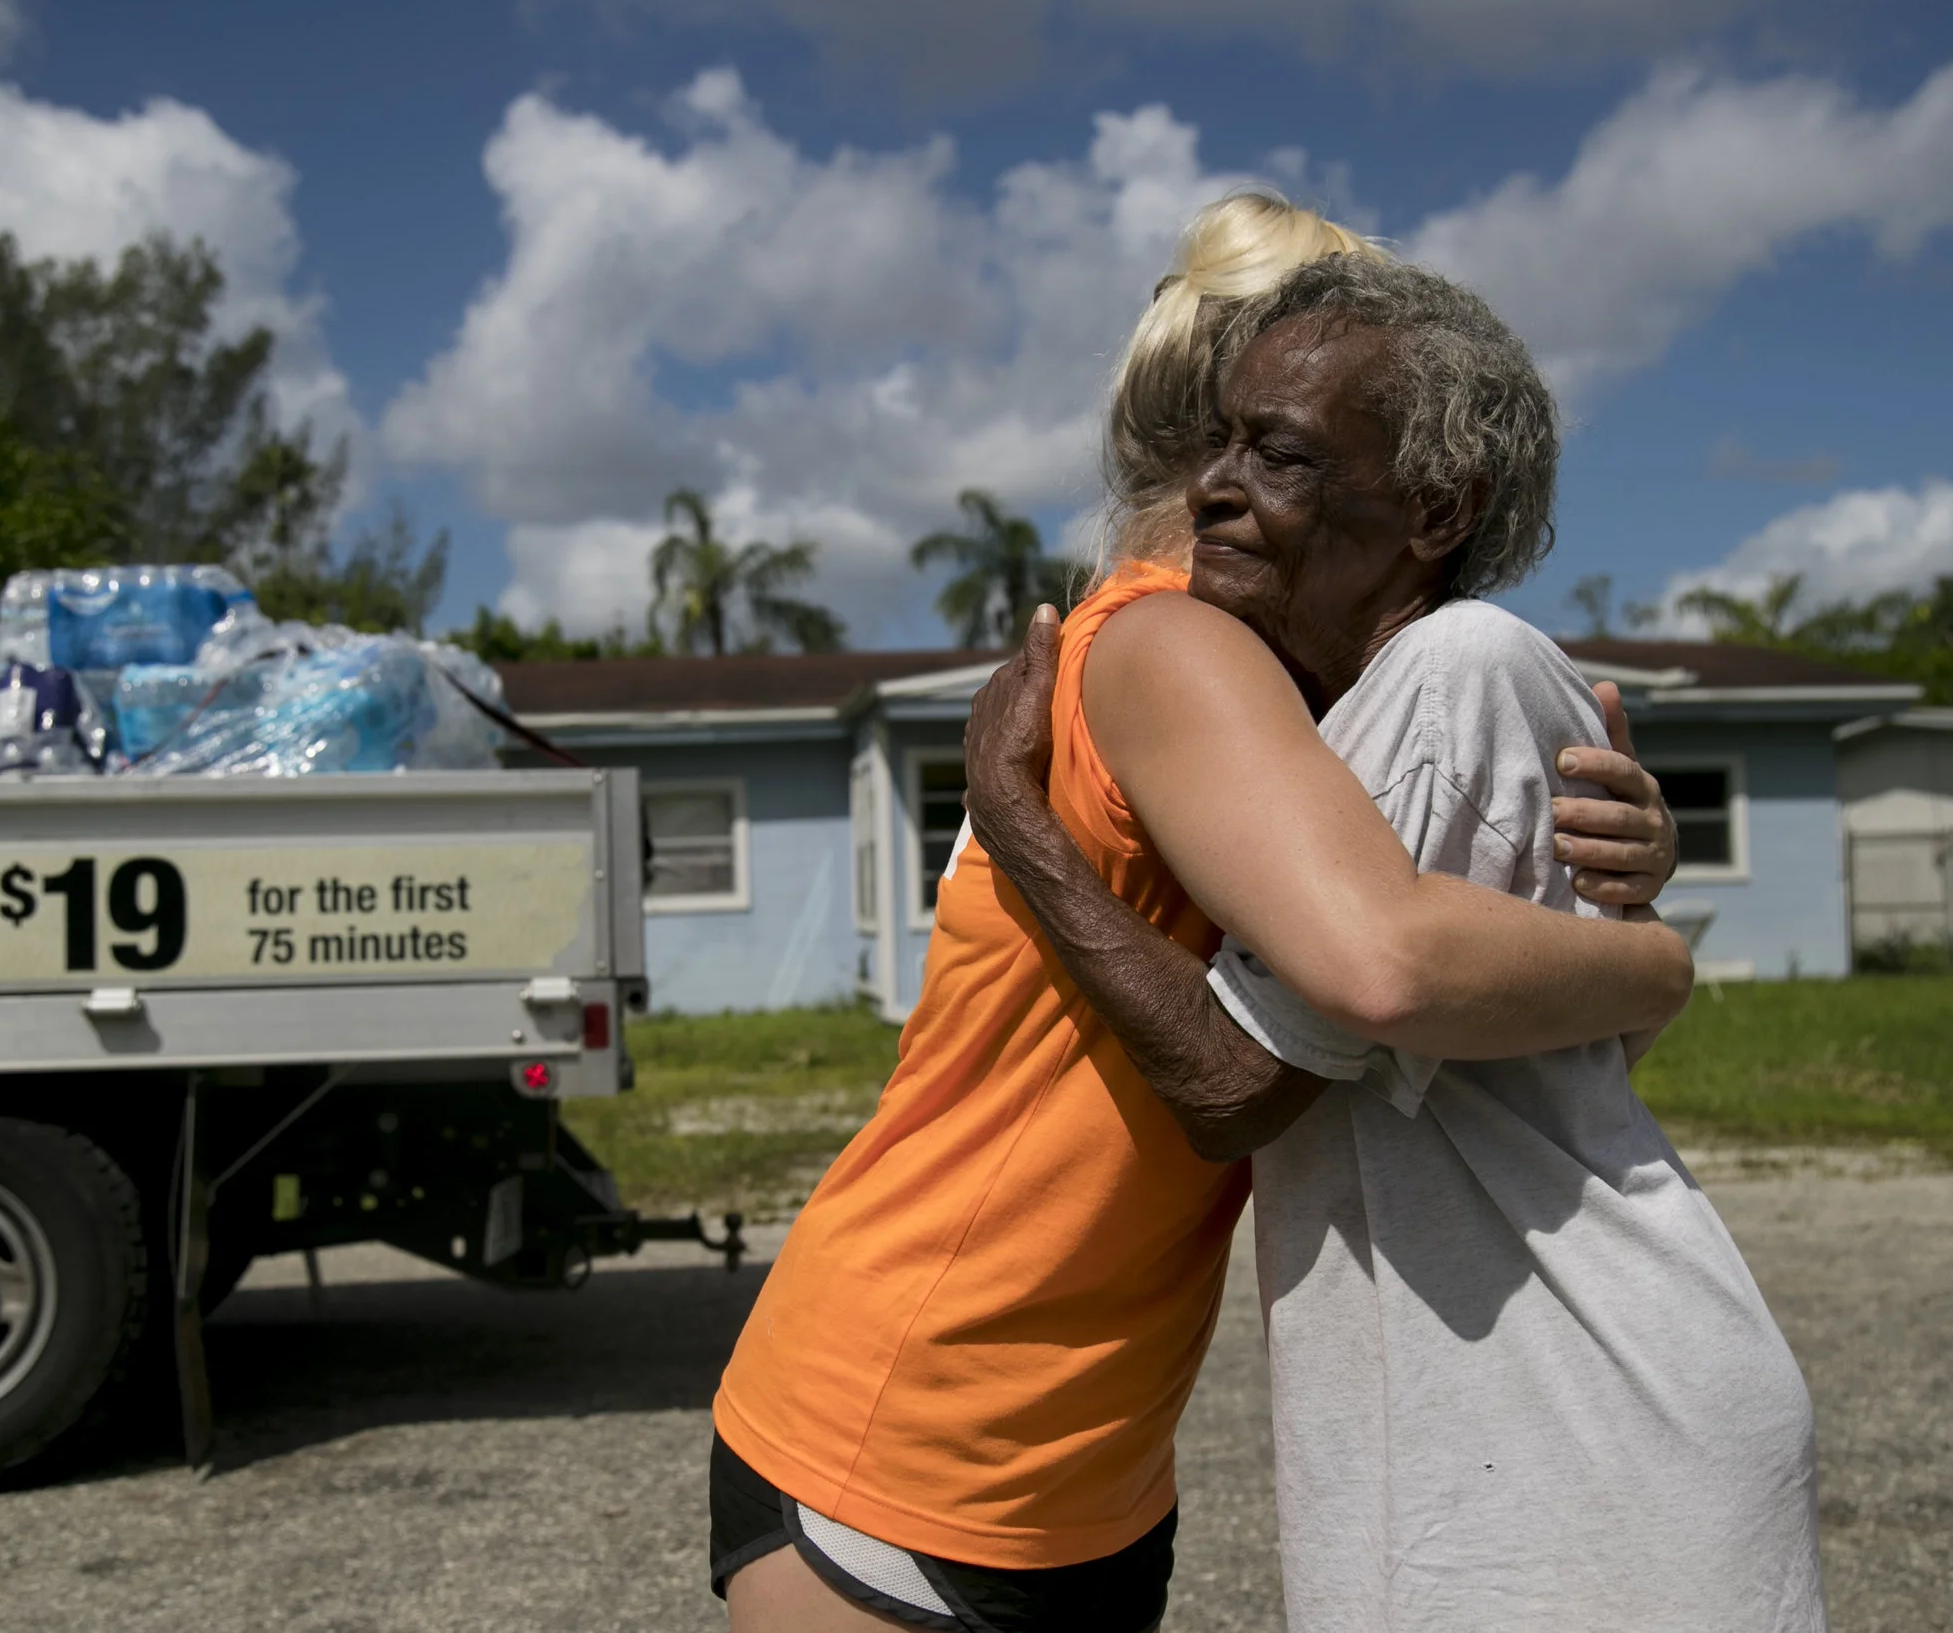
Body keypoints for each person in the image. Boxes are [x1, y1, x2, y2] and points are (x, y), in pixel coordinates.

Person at [707, 200, 1697, 1633]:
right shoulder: (1172, 646)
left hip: (1079, 1453)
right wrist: (1653, 964)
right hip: (914, 1416)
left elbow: (1488, 1006)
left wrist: (1618, 868)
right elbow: (1318, 1022)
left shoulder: (1316, 694)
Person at [963, 258, 1825, 1630]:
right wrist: (1653, 950)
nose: (1214, 489)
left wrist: (1017, 826)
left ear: (1434, 510)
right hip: (1492, 1400)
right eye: (1223, 440)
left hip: (1581, 1404)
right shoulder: (1370, 721)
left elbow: (1240, 1086)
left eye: (1280, 454)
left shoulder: (1453, 673)